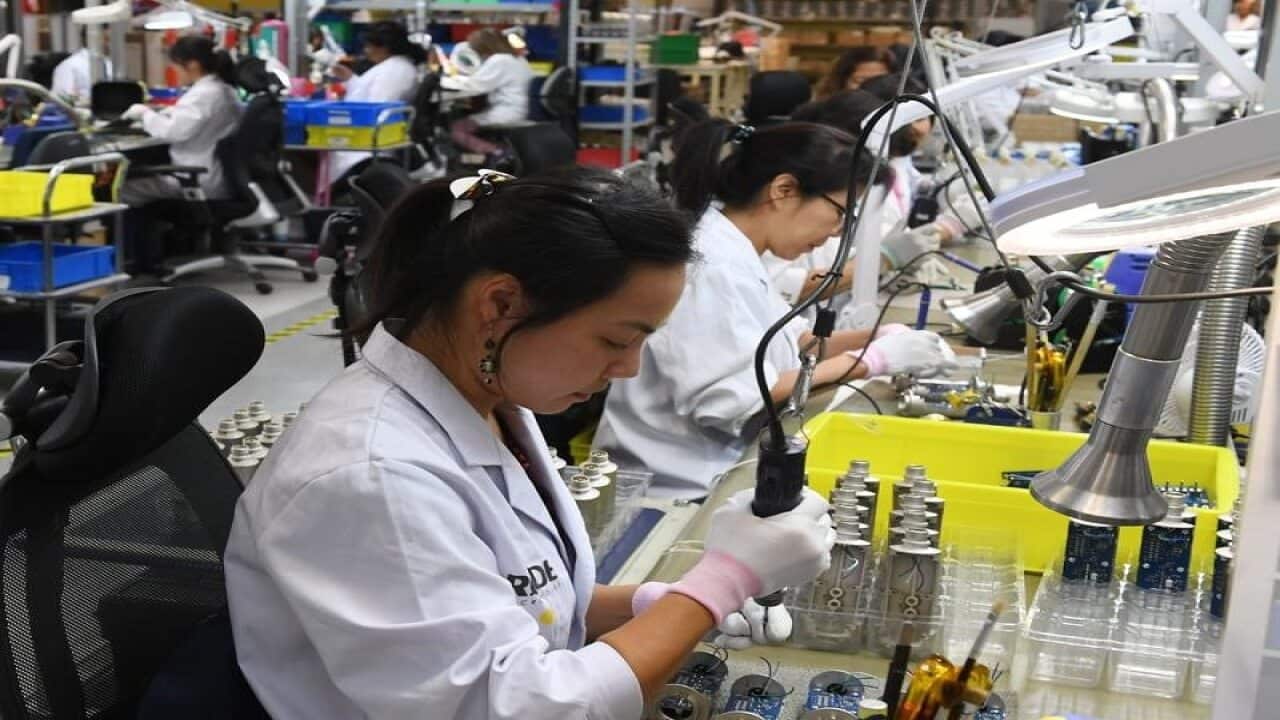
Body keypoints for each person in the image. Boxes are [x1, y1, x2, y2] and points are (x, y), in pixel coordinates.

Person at [224, 167, 837, 718]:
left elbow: (517, 598)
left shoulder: (488, 405)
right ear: (501, 304)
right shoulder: (371, 473)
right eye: (616, 339)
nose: (628, 369)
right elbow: (510, 708)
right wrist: (718, 584)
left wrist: (647, 603)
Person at [594, 121, 957, 499]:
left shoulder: (739, 250)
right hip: (678, 493)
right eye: (840, 213)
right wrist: (870, 361)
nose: (837, 232)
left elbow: (794, 343)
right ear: (783, 190)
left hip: (719, 472)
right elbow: (738, 400)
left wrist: (877, 337)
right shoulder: (708, 266)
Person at [118, 37, 241, 206]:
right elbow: (193, 119)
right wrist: (168, 113)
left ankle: (129, 232)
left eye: (175, 64)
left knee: (120, 190)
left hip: (197, 179)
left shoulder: (204, 94)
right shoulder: (223, 89)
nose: (174, 70)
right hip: (215, 175)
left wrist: (145, 113)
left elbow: (173, 132)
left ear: (192, 65)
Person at [327, 20, 425, 184]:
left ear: (384, 47)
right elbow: (370, 97)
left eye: (368, 46)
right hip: (368, 136)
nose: (366, 52)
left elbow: (377, 108)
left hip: (367, 145)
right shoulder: (393, 66)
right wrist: (351, 79)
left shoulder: (395, 71)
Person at [446, 28, 534, 166]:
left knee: (456, 129)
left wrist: (449, 79)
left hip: (508, 113)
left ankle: (498, 152)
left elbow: (476, 85)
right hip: (520, 109)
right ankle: (499, 151)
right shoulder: (517, 58)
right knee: (470, 116)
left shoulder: (499, 60)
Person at [50, 32, 113, 103]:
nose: (110, 43)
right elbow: (60, 101)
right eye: (107, 38)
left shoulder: (109, 64)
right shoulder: (68, 66)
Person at [815, 46, 893, 100]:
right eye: (860, 81)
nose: (870, 87)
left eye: (880, 81)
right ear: (842, 82)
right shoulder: (821, 115)